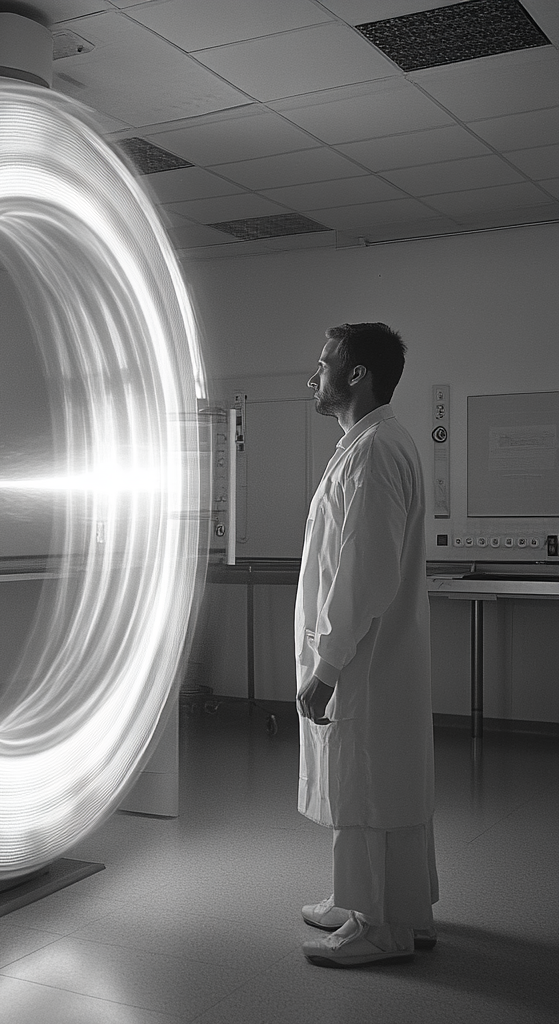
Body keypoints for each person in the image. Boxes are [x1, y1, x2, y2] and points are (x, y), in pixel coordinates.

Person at [295, 322, 438, 968]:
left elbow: (362, 570)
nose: (314, 374)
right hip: (378, 657)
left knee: (367, 786)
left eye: (325, 363)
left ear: (357, 375)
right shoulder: (369, 444)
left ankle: (380, 927)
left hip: (364, 661)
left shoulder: (375, 450)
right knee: (379, 785)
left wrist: (326, 663)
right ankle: (383, 905)